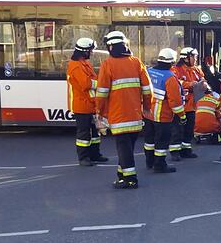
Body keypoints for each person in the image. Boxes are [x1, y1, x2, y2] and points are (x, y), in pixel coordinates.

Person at [94, 31, 151, 189]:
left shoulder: (108, 64)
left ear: (111, 47)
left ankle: (130, 179)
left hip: (118, 116)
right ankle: (121, 175)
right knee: (127, 148)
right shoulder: (136, 62)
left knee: (124, 148)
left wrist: (100, 113)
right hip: (135, 115)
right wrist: (147, 107)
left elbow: (102, 93)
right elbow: (148, 90)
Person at [66, 37, 108, 166]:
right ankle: (83, 158)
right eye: (90, 50)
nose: (92, 52)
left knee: (95, 132)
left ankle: (95, 154)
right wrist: (101, 83)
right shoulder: (76, 66)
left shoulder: (84, 62)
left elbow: (92, 79)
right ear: (84, 51)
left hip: (90, 104)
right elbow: (86, 84)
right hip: (82, 105)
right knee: (83, 134)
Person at [144, 47, 186, 174]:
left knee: (149, 140)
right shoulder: (170, 77)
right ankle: (160, 165)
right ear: (171, 62)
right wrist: (182, 115)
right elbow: (175, 102)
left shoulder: (148, 72)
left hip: (147, 113)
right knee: (161, 142)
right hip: (162, 116)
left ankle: (149, 162)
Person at [172, 46, 205, 159]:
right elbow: (176, 82)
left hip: (192, 104)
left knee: (189, 129)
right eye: (193, 57)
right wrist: (190, 84)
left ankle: (186, 150)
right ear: (186, 58)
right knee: (177, 130)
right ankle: (175, 151)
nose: (195, 59)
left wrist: (204, 85)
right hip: (181, 105)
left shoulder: (196, 70)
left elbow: (202, 79)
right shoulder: (176, 69)